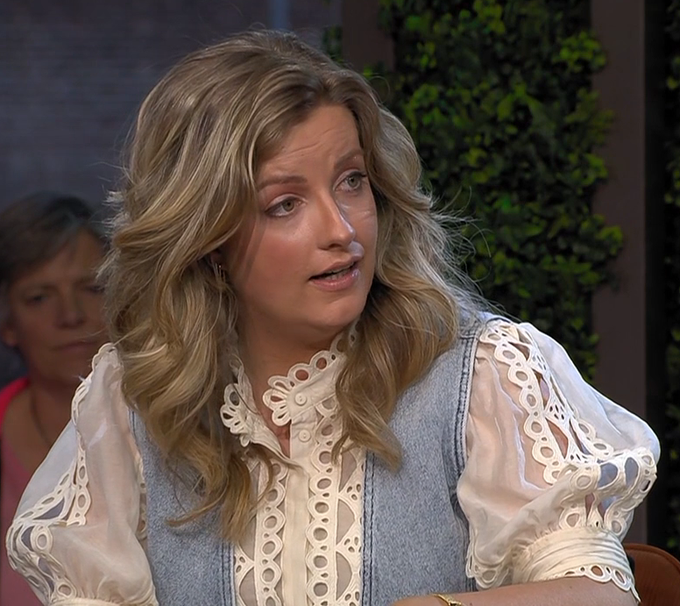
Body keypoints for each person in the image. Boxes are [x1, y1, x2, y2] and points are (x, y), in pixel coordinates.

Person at [6, 31, 659, 606]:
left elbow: (599, 592)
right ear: (206, 237)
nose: (341, 230)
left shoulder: (486, 373)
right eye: (285, 204)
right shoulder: (130, 401)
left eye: (352, 181)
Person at [0, 192, 108, 606]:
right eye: (39, 297)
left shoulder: (179, 427)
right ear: (8, 324)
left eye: (92, 288)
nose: (71, 315)